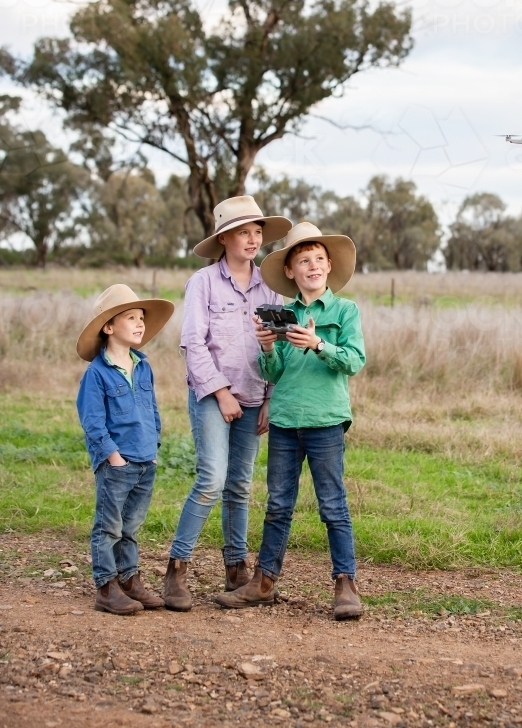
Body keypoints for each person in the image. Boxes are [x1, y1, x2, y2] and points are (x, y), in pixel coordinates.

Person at [215, 221, 366, 620]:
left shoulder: (345, 311)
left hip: (326, 421)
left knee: (333, 505)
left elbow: (354, 361)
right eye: (303, 261)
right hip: (284, 421)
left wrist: (319, 344)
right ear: (290, 271)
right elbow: (274, 373)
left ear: (329, 265)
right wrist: (267, 348)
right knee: (278, 505)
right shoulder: (283, 314)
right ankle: (264, 582)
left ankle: (345, 583)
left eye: (318, 259)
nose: (312, 266)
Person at [163, 196, 291, 611]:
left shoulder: (270, 285)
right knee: (211, 480)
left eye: (257, 232)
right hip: (211, 395)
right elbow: (193, 343)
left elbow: (278, 346)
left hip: (255, 395)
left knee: (239, 485)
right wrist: (219, 392)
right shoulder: (203, 282)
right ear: (224, 238)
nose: (253, 239)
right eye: (244, 232)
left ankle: (236, 569)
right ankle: (176, 569)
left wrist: (270, 398)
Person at [76, 284, 175, 616]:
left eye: (141, 318)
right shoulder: (97, 374)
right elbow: (92, 421)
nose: (139, 324)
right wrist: (112, 456)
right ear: (109, 327)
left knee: (131, 525)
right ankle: (106, 587)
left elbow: (152, 410)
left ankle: (129, 579)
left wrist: (155, 447)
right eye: (130, 317)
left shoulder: (143, 366)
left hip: (146, 458)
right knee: (109, 525)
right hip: (117, 462)